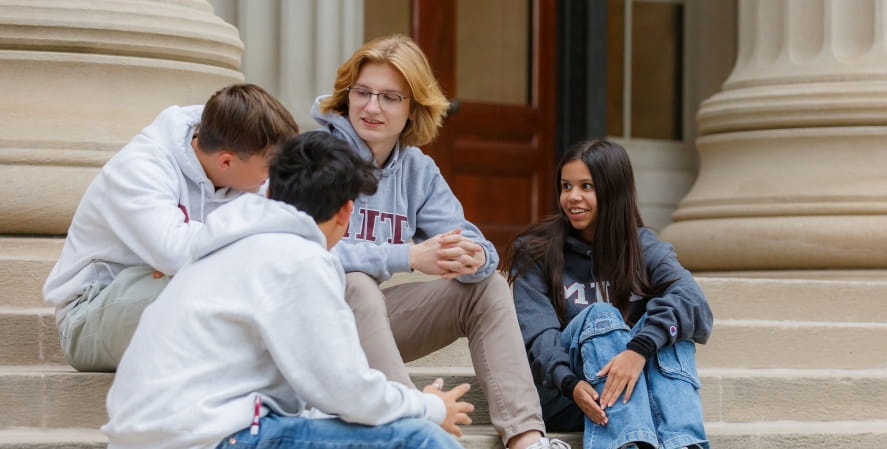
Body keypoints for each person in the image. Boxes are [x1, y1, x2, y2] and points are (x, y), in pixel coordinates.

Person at [102, 131, 474, 449]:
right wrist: (430, 408)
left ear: (271, 190)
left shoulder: (223, 247)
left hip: (152, 435)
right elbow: (347, 391)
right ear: (345, 213)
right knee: (419, 438)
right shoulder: (300, 258)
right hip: (211, 437)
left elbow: (318, 394)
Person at [311, 34, 568, 449]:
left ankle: (526, 438)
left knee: (487, 287)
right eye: (363, 93)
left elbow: (469, 239)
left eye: (390, 98)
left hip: (367, 326)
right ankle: (410, 428)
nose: (372, 107)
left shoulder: (417, 170)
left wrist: (473, 256)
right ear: (347, 96)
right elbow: (306, 249)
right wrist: (409, 255)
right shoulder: (315, 155)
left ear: (413, 109)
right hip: (308, 327)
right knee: (355, 281)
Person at [42, 83, 300, 372]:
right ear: (226, 161)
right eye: (271, 169)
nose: (276, 180)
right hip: (89, 316)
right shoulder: (141, 167)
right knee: (205, 290)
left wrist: (198, 257)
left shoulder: (247, 171)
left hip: (167, 290)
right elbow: (175, 253)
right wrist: (193, 261)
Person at [504, 140, 714, 449]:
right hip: (565, 392)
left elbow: (694, 303)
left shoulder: (643, 247)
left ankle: (682, 443)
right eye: (566, 186)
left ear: (614, 191)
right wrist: (570, 382)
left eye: (586, 186)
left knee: (670, 331)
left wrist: (639, 350)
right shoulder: (536, 249)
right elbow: (538, 336)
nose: (572, 197)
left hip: (630, 391)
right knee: (601, 314)